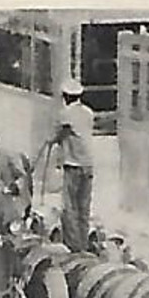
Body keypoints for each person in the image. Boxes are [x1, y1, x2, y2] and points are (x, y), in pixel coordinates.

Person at [45, 78, 95, 252]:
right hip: (88, 164)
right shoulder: (88, 112)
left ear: (66, 96)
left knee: (70, 208)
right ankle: (84, 245)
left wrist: (50, 140)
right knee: (84, 208)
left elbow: (59, 134)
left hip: (73, 164)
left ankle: (74, 248)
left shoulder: (65, 114)